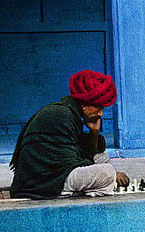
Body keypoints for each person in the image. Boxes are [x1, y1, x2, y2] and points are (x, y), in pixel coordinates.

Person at [10, 70, 129, 199]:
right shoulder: (61, 114)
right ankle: (87, 190)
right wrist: (113, 175)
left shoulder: (71, 114)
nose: (100, 113)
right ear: (84, 104)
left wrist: (94, 133)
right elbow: (71, 163)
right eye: (98, 107)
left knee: (102, 157)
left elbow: (87, 154)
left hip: (58, 174)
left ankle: (92, 188)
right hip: (44, 181)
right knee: (107, 172)